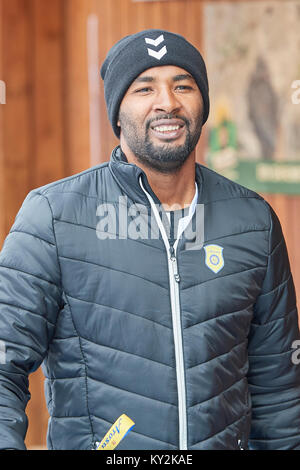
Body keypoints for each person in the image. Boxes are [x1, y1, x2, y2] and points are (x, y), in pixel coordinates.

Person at [0, 29, 299, 451]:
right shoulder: (53, 217)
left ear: (203, 104)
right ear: (117, 112)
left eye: (183, 85)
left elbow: (280, 389)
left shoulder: (252, 221)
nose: (168, 102)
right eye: (144, 88)